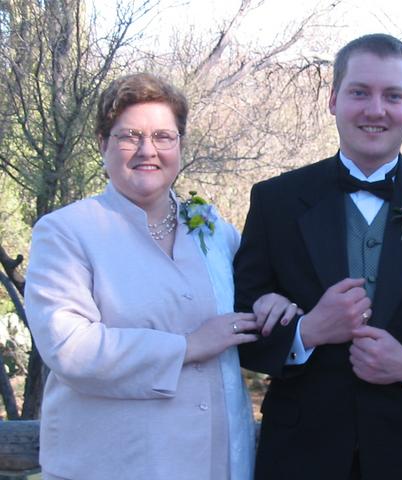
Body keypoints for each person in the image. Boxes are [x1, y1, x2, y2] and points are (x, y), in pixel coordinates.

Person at [233, 33, 402, 480]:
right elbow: (240, 318)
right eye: (359, 92)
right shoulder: (276, 201)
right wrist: (306, 333)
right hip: (298, 457)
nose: (375, 110)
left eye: (393, 95)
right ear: (333, 99)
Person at [24, 73, 293, 480]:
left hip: (215, 464)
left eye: (163, 136)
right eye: (129, 136)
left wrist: (271, 299)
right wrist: (188, 346)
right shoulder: (66, 232)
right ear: (102, 143)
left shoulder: (212, 230)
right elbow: (69, 347)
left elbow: (253, 291)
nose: (147, 150)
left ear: (180, 145)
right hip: (114, 465)